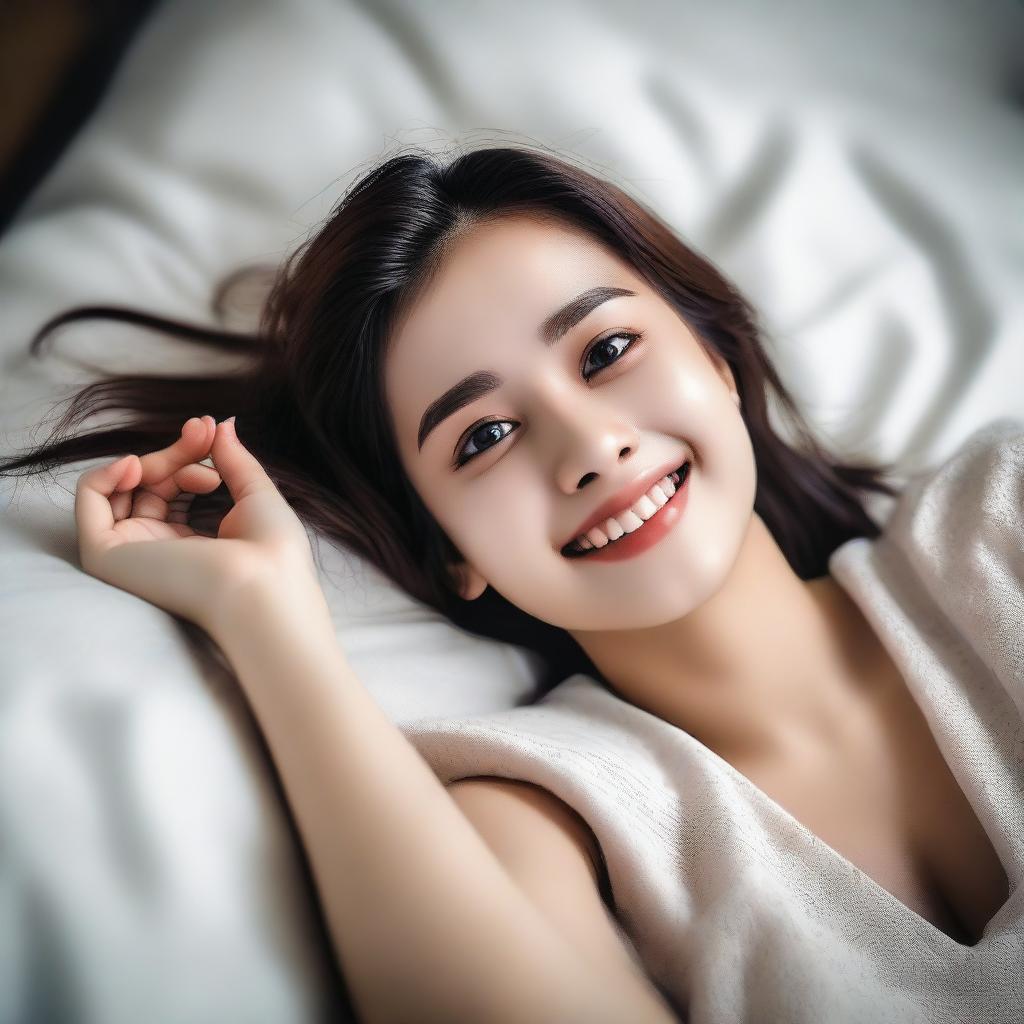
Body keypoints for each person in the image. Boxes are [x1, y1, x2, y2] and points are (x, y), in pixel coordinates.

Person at [1, 145, 1020, 1023]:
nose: (587, 448)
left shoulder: (1000, 516)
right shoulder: (548, 818)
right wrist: (268, 619)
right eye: (483, 436)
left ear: (717, 359)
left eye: (607, 349)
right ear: (452, 548)